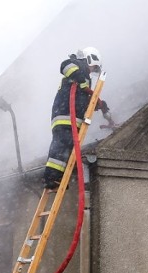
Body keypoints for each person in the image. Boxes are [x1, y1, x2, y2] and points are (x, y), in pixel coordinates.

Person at [43, 46, 116, 189]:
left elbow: (83, 101)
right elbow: (65, 65)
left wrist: (101, 105)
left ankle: (57, 178)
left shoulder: (82, 78)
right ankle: (51, 177)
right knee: (61, 145)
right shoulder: (78, 65)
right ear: (89, 58)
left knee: (65, 147)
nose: (92, 71)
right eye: (94, 68)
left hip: (69, 117)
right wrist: (80, 77)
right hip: (65, 116)